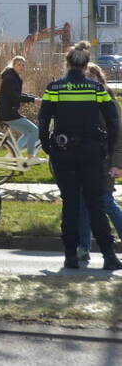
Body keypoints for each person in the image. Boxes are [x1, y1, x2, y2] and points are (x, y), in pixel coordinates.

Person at [38, 41, 122, 270]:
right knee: (95, 205)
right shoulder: (96, 90)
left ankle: (70, 257)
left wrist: (48, 146)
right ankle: (109, 257)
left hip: (63, 153)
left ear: (67, 64)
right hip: (91, 154)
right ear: (86, 66)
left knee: (71, 205)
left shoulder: (54, 88)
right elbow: (113, 121)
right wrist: (107, 147)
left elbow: (43, 119)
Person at [74, 62, 122, 263]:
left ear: (98, 78)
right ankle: (83, 248)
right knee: (83, 204)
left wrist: (116, 164)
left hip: (104, 162)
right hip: (84, 162)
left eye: (91, 77)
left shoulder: (108, 101)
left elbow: (118, 136)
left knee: (105, 201)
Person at [0, 55, 43, 165]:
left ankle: (12, 154)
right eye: (19, 65)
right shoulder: (10, 78)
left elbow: (17, 94)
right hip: (7, 114)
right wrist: (32, 99)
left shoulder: (14, 77)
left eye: (23, 65)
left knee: (28, 132)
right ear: (13, 65)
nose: (21, 67)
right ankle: (30, 157)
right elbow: (15, 97)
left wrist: (33, 98)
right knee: (34, 130)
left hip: (8, 112)